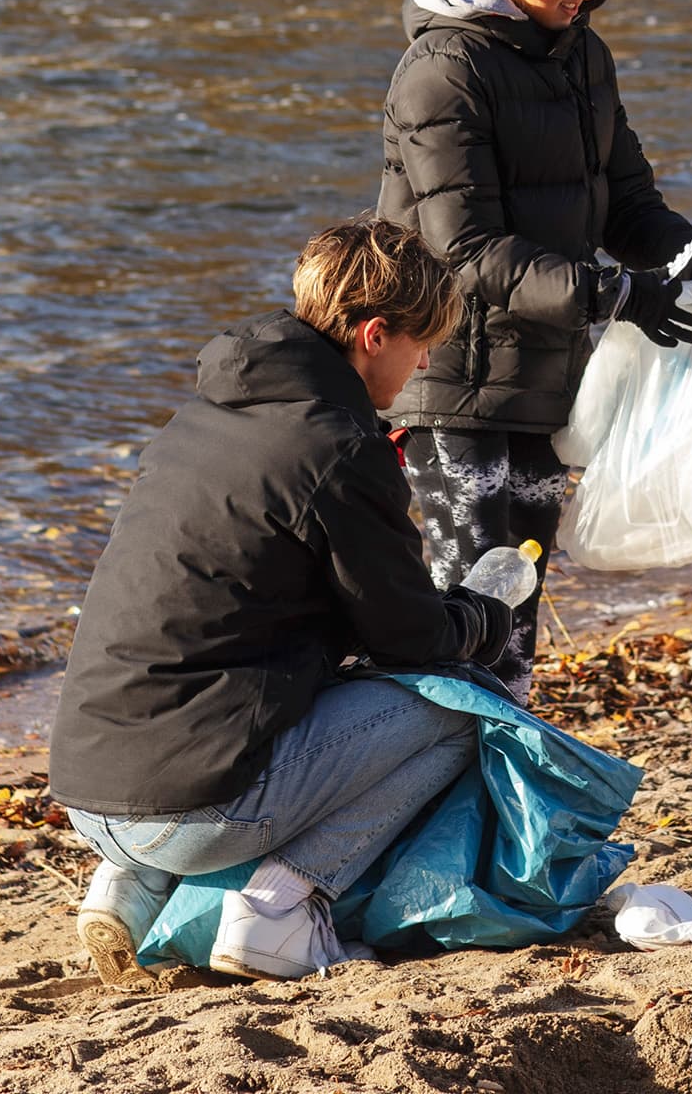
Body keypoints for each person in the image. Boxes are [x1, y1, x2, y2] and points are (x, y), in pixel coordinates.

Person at [50, 218, 514, 985]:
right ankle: (276, 914)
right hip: (186, 814)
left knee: (232, 677)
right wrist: (482, 618)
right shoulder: (339, 445)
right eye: (420, 342)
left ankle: (127, 891)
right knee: (462, 712)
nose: (426, 360)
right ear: (372, 335)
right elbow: (411, 640)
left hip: (88, 792)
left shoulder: (205, 414)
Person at [378, 0, 692, 700]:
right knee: (466, 607)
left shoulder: (583, 55)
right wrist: (615, 294)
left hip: (545, 373)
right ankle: (445, 805)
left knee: (519, 608)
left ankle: (508, 803)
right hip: (451, 379)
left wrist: (686, 253)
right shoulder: (441, 72)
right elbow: (461, 250)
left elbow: (625, 203)